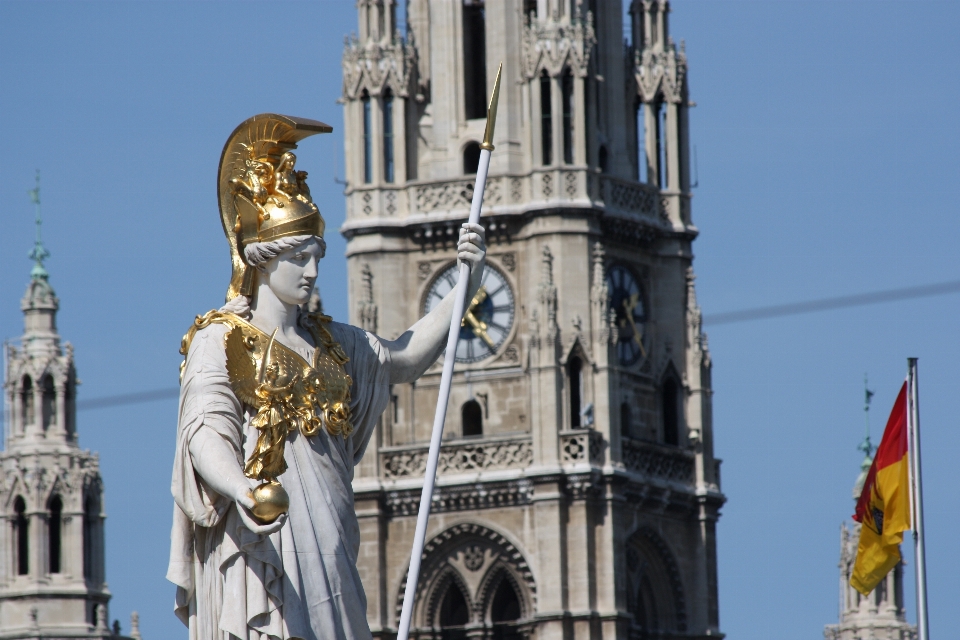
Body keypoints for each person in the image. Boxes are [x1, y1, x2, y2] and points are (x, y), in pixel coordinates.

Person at [168, 115, 487, 640]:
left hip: (331, 544)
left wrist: (465, 284)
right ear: (261, 259)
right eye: (299, 258)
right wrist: (244, 490)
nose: (312, 271)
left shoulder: (335, 344)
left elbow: (404, 358)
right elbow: (204, 434)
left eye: (316, 256)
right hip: (265, 539)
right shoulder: (219, 339)